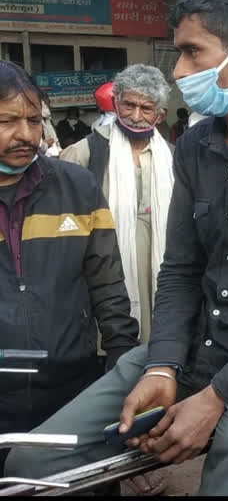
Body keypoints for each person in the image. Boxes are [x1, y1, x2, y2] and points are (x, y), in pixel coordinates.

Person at [6, 0, 228, 496]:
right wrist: (162, 364)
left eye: (192, 52)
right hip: (195, 347)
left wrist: (216, 397)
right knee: (35, 460)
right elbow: (180, 268)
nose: (177, 71)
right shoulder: (194, 146)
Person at [0, 60, 139, 470]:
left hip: (73, 388)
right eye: (8, 121)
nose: (26, 135)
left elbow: (108, 284)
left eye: (33, 119)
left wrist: (121, 364)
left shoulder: (76, 187)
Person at [60, 64, 174, 347]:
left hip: (160, 264)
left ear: (161, 114)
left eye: (146, 109)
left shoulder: (173, 158)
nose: (136, 117)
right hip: (105, 266)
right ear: (115, 103)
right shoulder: (86, 152)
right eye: (129, 105)